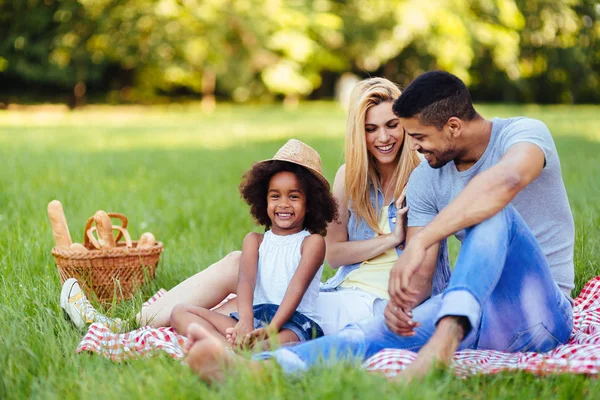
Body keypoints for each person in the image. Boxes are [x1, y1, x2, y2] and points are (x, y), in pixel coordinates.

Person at [183, 70, 575, 383]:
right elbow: (419, 276)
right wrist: (402, 303)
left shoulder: (523, 134)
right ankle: (259, 370)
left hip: (541, 311)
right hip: (481, 318)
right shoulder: (427, 179)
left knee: (496, 213)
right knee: (368, 335)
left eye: (419, 136)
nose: (414, 146)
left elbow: (502, 185)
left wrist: (427, 240)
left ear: (453, 127)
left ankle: (444, 339)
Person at [60, 77, 451, 336]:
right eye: (370, 128)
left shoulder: (422, 173)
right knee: (238, 283)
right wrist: (388, 239)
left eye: (391, 125)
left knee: (242, 289)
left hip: (378, 304)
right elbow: (334, 252)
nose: (383, 137)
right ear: (357, 132)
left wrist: (397, 242)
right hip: (343, 288)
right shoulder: (350, 177)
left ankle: (121, 326)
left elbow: (422, 271)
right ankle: (124, 325)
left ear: (405, 124)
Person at [169, 139, 337, 350]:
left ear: (311, 204)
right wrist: (245, 323)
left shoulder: (311, 243)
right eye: (275, 196)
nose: (283, 204)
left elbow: (296, 289)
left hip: (293, 324)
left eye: (293, 196)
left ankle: (235, 351)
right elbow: (246, 283)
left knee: (262, 348)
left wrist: (272, 329)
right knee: (179, 312)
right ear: (263, 200)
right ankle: (227, 349)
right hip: (255, 315)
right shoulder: (254, 241)